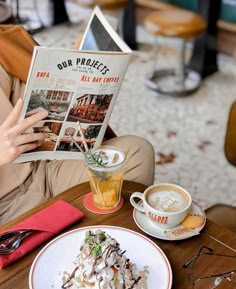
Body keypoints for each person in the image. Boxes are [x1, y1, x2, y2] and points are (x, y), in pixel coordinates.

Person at [0, 25, 155, 224]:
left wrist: (75, 72)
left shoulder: (4, 48)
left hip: (43, 170)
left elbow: (37, 104)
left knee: (136, 153)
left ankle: (99, 235)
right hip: (5, 211)